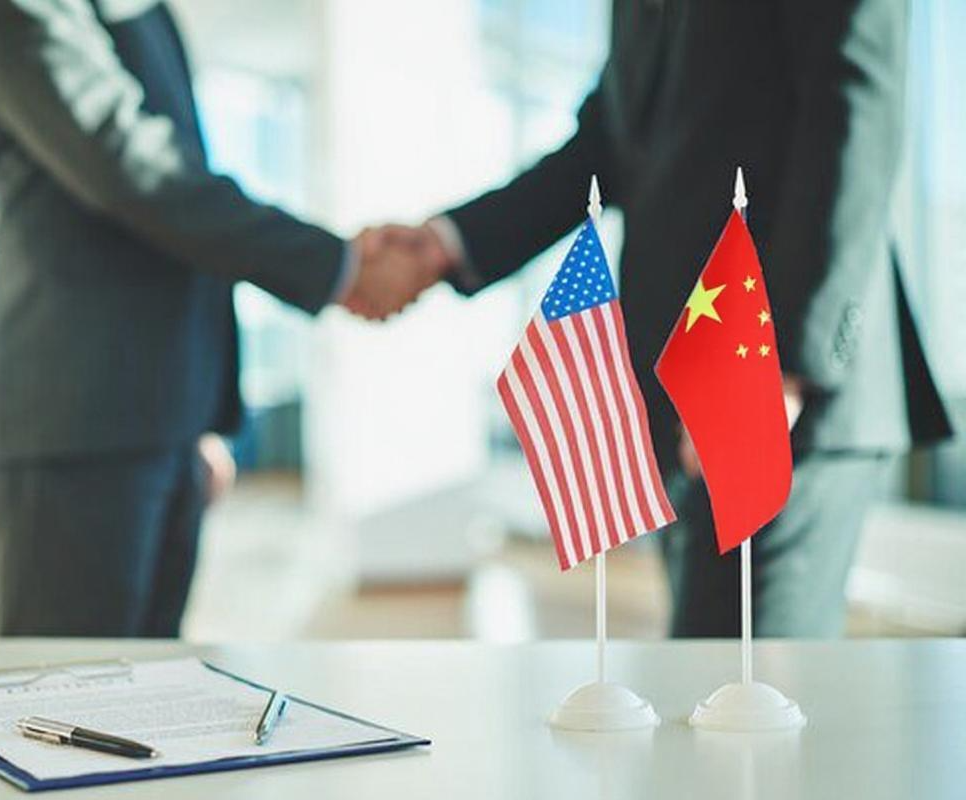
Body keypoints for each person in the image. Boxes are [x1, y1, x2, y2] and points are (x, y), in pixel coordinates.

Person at [374, 0, 953, 637]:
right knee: (704, 686)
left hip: (774, 386)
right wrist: (448, 244)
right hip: (678, 389)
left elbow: (856, 120)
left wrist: (778, 364)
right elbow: (603, 148)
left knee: (745, 698)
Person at [0, 0, 434, 638]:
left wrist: (197, 418)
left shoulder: (140, 11)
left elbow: (180, 194)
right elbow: (132, 165)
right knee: (67, 713)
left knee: (152, 708)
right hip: (72, 427)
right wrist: (339, 266)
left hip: (160, 423)